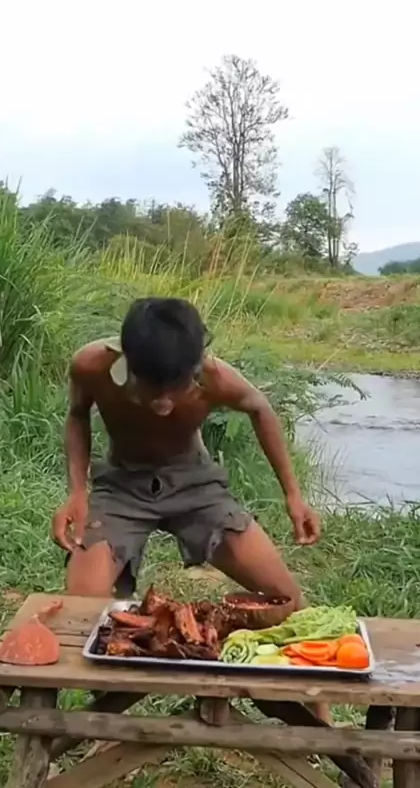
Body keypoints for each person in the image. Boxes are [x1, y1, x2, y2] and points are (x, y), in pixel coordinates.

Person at [53, 297, 329, 721]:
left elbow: (260, 407)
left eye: (176, 390)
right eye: (150, 390)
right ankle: (94, 716)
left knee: (288, 600)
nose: (164, 405)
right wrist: (77, 491)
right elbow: (76, 414)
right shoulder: (92, 366)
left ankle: (320, 716)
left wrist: (293, 495)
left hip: (196, 487)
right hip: (121, 487)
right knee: (79, 612)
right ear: (128, 364)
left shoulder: (214, 376)